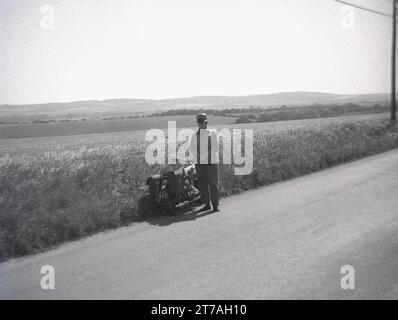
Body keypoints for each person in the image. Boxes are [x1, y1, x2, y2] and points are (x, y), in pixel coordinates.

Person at [189, 113, 220, 212]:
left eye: (202, 121)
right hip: (199, 163)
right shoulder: (194, 135)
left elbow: (216, 147)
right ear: (197, 123)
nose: (200, 124)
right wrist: (198, 156)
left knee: (213, 184)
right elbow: (192, 148)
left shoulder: (213, 133)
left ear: (206, 122)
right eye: (199, 122)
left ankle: (215, 205)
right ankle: (207, 204)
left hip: (211, 163)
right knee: (202, 184)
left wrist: (205, 156)